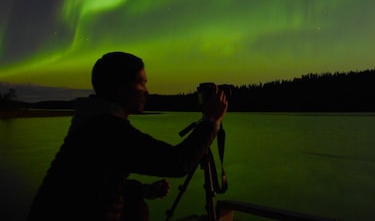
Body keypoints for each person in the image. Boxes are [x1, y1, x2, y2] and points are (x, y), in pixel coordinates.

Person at [27, 51, 228, 221]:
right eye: (141, 83)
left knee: (136, 208)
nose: (147, 91)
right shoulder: (106, 130)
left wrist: (145, 190)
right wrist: (212, 121)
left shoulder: (92, 122)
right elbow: (178, 162)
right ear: (121, 89)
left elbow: (95, 182)